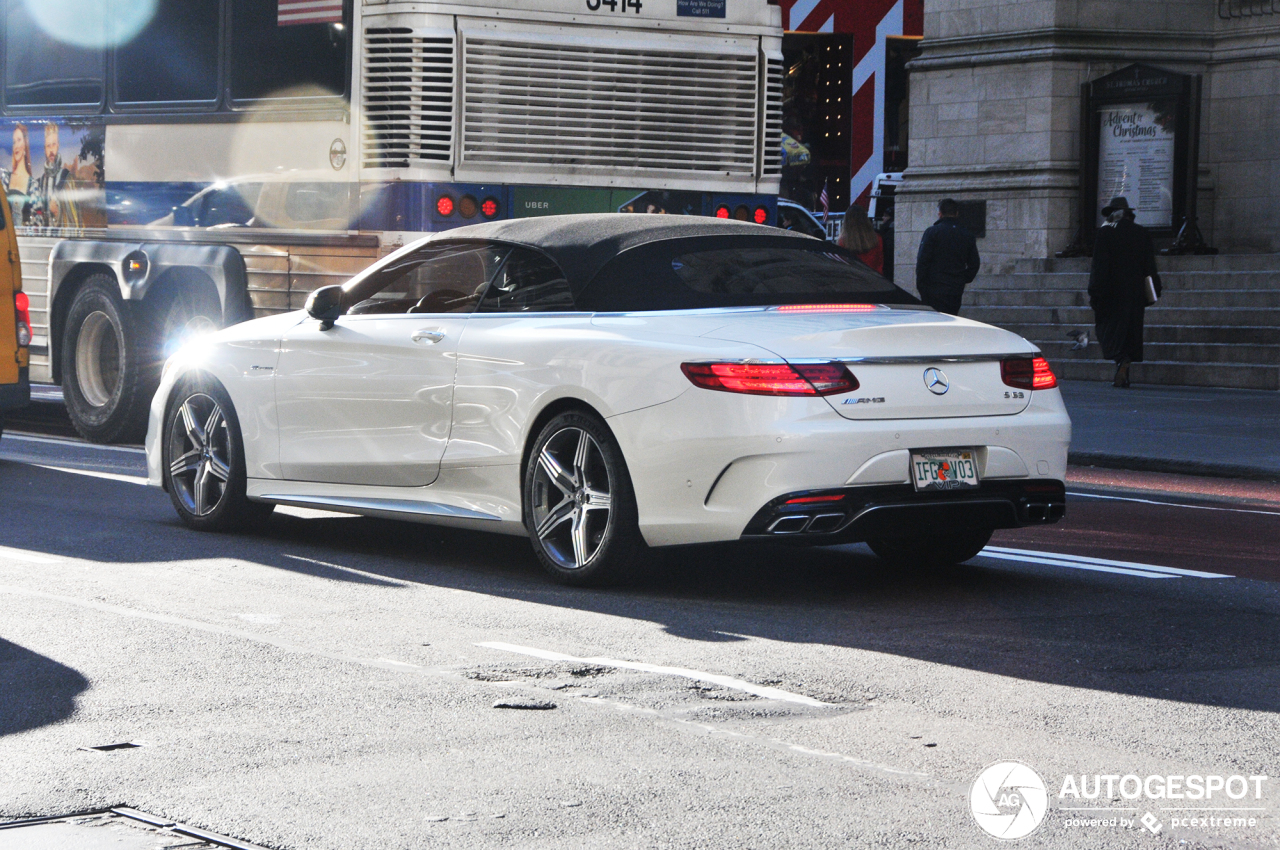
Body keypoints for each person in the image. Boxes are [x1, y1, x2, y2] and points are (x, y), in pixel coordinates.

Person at [1088, 196, 1162, 388]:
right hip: (1135, 292)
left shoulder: (1105, 233)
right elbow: (1149, 265)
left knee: (1108, 330)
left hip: (1111, 292)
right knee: (1130, 331)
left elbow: (1100, 266)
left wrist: (1095, 291)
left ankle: (1120, 359)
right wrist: (1154, 289)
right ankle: (1124, 367)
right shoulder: (1141, 233)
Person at [915, 198, 981, 315]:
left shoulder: (932, 232)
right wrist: (962, 279)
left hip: (934, 287)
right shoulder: (966, 234)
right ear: (956, 213)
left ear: (940, 214)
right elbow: (974, 263)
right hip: (954, 287)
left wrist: (921, 285)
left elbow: (922, 261)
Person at [837, 203, 883, 274]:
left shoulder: (843, 242)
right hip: (874, 279)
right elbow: (880, 264)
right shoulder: (877, 239)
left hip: (854, 280)